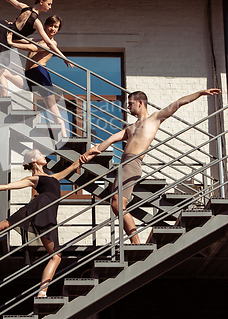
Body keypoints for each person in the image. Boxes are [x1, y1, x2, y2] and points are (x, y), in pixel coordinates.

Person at [0, 147, 98, 297]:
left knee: (56, 256)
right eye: (40, 154)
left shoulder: (53, 177)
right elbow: (7, 186)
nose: (44, 155)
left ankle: (42, 291)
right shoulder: (33, 179)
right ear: (33, 160)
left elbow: (74, 166)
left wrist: (86, 155)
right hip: (35, 208)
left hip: (49, 217)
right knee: (0, 227)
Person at [89, 88, 222, 244]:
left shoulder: (154, 119)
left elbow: (178, 103)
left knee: (118, 204)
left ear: (140, 103)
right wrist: (95, 150)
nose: (128, 107)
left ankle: (136, 243)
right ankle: (135, 242)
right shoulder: (131, 128)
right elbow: (111, 139)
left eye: (130, 104)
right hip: (123, 165)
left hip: (132, 163)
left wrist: (200, 93)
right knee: (115, 205)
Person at [3, 15, 67, 137]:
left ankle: (64, 136)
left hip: (40, 74)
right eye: (51, 25)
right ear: (44, 26)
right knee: (4, 72)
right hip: (29, 74)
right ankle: (3, 101)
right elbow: (19, 39)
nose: (53, 29)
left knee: (52, 108)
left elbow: (32, 47)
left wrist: (11, 42)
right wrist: (12, 27)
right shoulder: (36, 39)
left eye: (56, 27)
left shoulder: (52, 43)